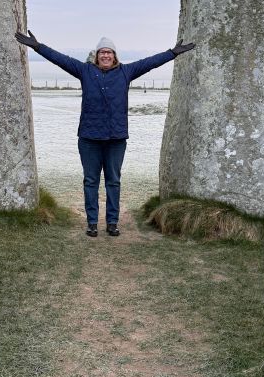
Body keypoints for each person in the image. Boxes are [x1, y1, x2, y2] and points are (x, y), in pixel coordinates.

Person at [15, 30, 195, 237]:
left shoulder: (126, 72)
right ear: (97, 55)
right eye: (102, 53)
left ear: (115, 55)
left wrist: (172, 53)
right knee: (90, 181)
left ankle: (112, 222)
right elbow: (60, 59)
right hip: (89, 138)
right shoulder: (85, 71)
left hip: (116, 139)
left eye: (109, 52)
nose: (106, 56)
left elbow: (150, 62)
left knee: (113, 181)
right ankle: (92, 223)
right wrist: (38, 47)